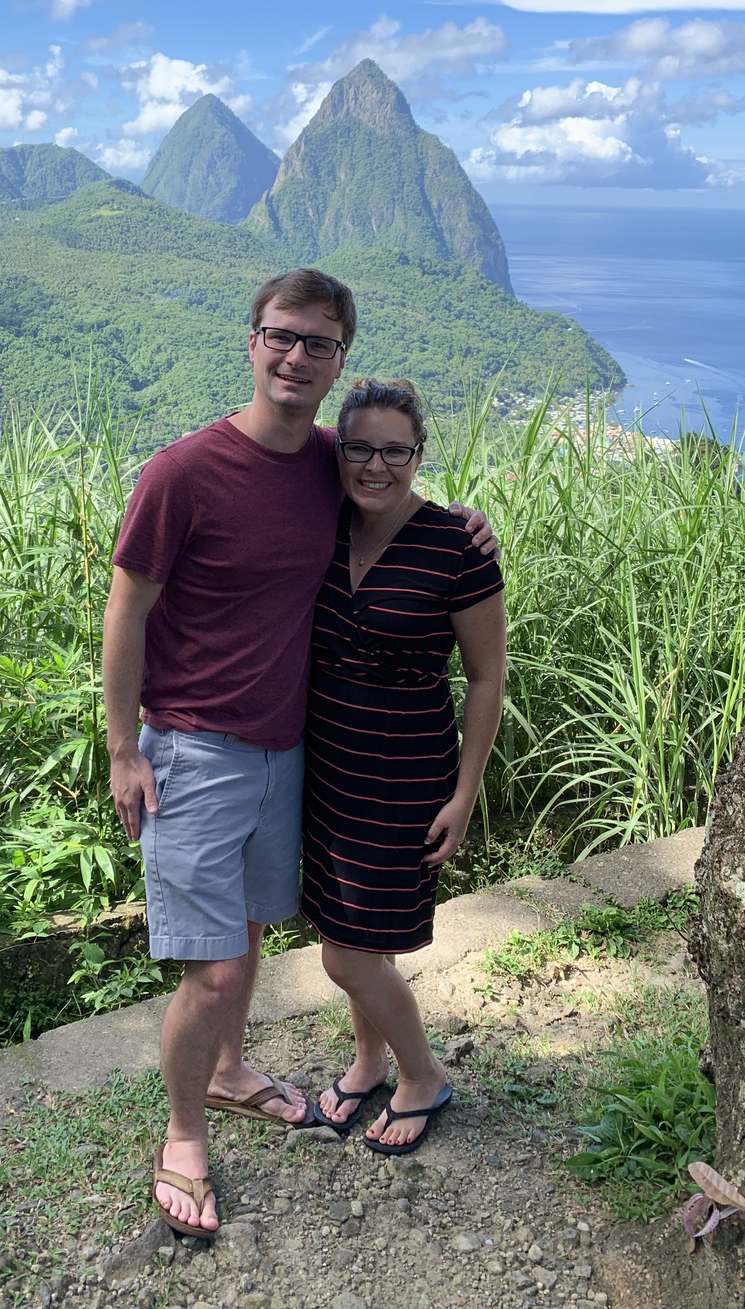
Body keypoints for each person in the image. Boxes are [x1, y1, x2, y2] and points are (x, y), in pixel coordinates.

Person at [102, 268, 497, 1236]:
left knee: (245, 934)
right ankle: (185, 1133)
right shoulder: (182, 471)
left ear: (338, 360)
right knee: (219, 970)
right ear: (251, 341)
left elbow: (386, 480)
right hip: (193, 749)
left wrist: (464, 523)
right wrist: (122, 748)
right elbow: (127, 610)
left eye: (317, 344)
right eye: (281, 335)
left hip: (291, 756)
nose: (295, 355)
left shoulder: (329, 461)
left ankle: (232, 1071)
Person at [302, 377, 506, 1155]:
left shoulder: (457, 545)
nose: (377, 465)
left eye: (396, 450)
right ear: (339, 449)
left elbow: (487, 678)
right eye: (361, 447)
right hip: (328, 769)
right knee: (361, 935)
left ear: (419, 456)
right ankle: (368, 1060)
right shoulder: (321, 525)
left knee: (346, 953)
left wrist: (466, 792)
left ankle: (422, 1075)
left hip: (404, 776)